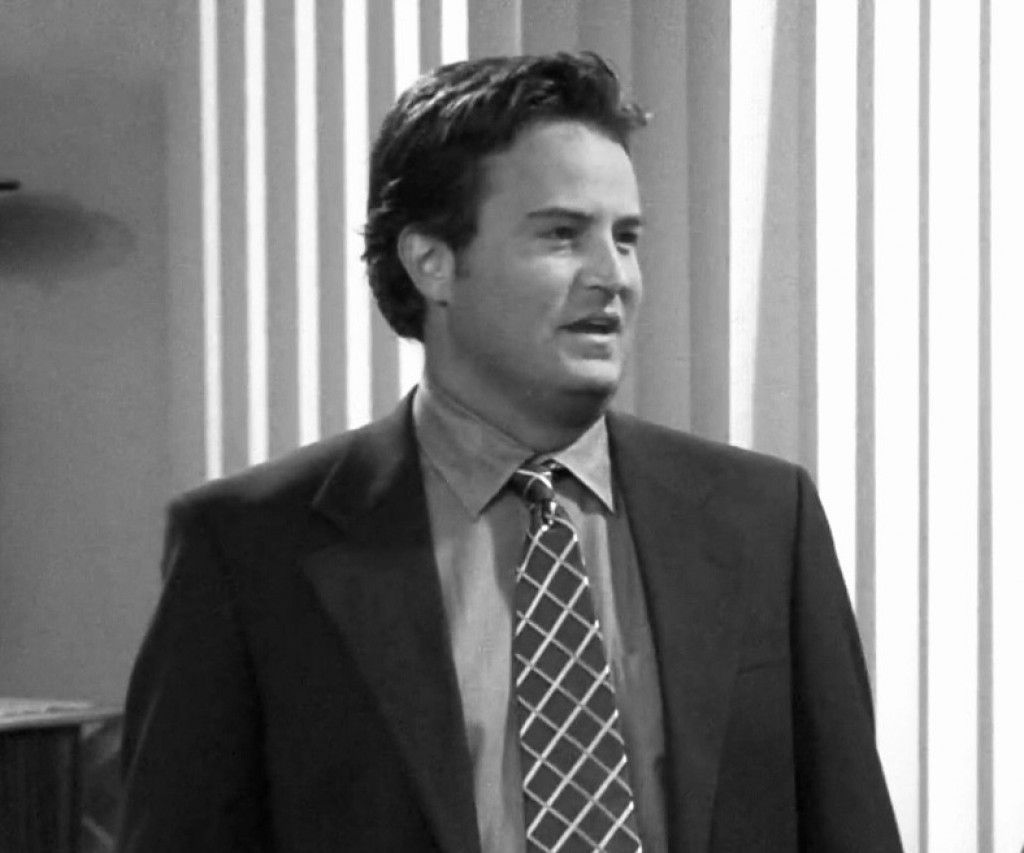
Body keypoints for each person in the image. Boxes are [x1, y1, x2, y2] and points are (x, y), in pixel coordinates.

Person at [118, 52, 903, 852]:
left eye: (626, 238)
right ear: (433, 263)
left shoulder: (764, 520)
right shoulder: (251, 549)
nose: (613, 277)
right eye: (562, 235)